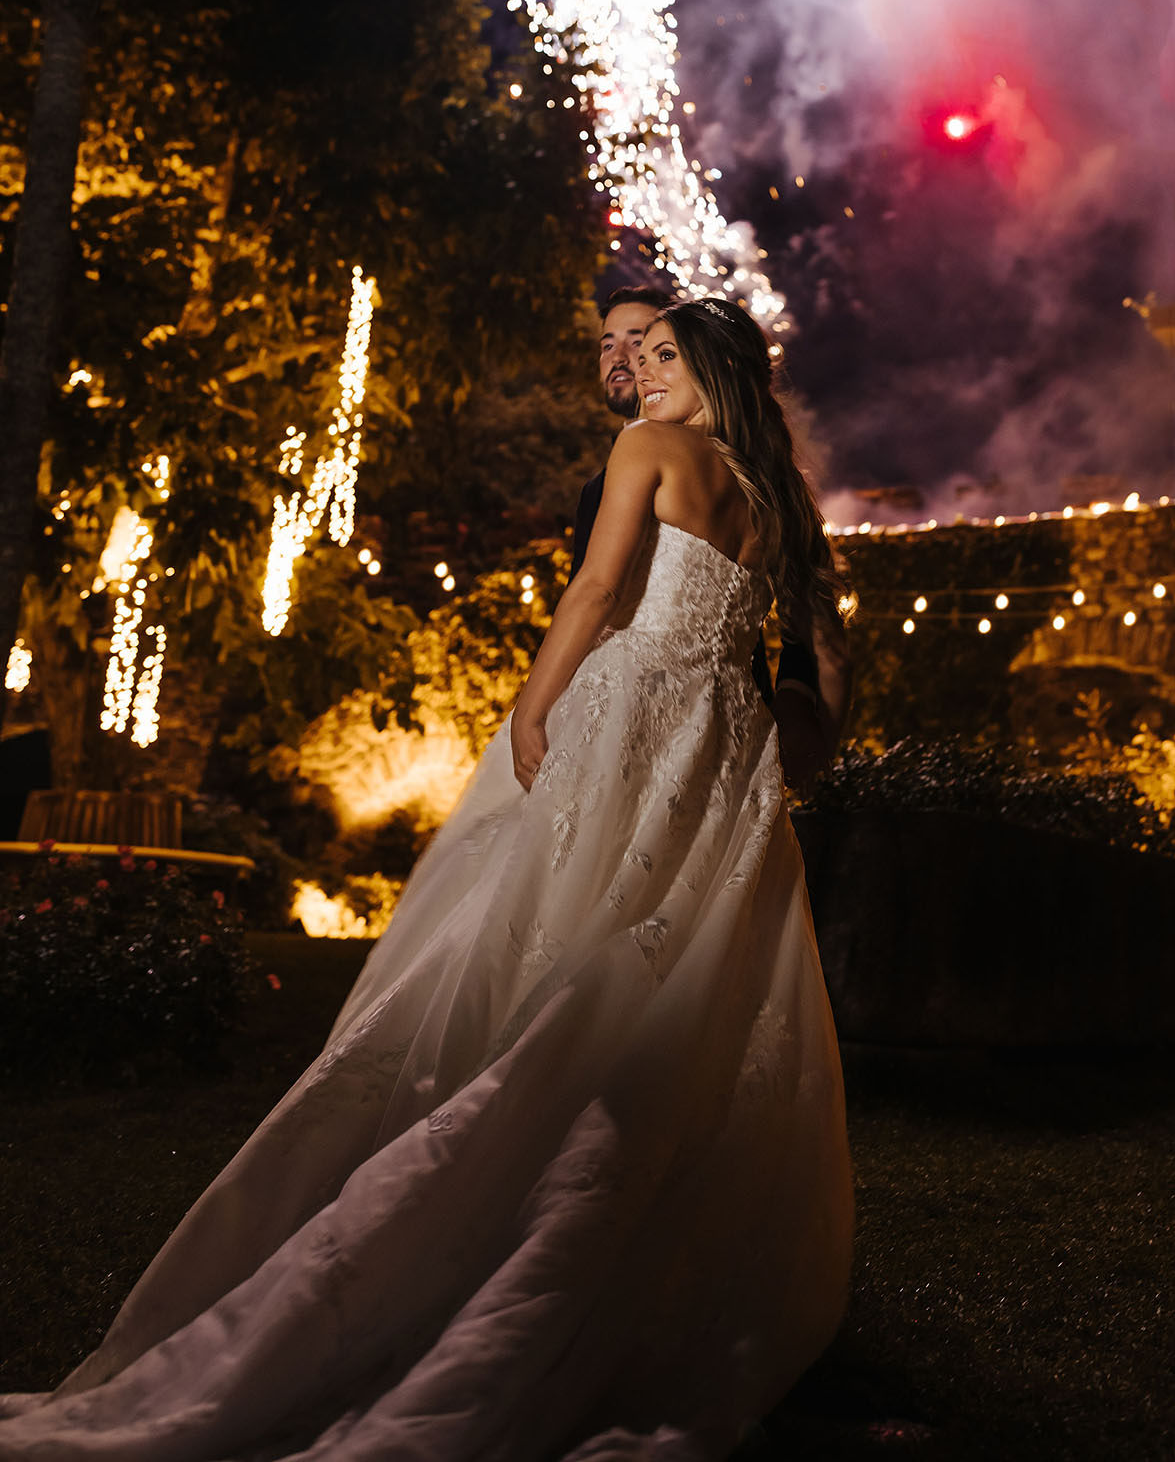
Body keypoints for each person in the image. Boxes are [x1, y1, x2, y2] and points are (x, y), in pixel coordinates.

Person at [0, 297, 854, 1462]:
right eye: (635, 354)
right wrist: (788, 746)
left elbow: (599, 593)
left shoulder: (647, 450)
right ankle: (603, 1202)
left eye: (661, 355)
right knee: (679, 959)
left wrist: (532, 703)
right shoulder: (779, 500)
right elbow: (828, 658)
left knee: (548, 933)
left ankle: (493, 1150)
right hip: (723, 741)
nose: (638, 372)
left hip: (633, 709)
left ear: (712, 371)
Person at [582, 287, 836, 790]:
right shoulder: (604, 480)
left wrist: (794, 699)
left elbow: (812, 633)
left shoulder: (759, 482)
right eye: (608, 344)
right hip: (612, 718)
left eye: (647, 343)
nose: (628, 359)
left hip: (712, 729)